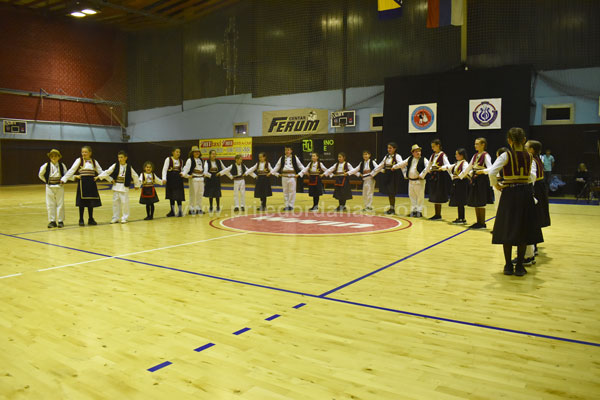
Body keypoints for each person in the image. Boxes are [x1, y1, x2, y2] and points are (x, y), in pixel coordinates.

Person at [478, 127, 542, 277]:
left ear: (509, 141)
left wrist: (497, 185)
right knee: (523, 229)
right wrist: (522, 180)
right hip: (525, 194)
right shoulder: (530, 156)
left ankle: (508, 265)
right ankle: (519, 266)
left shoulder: (506, 155)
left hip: (510, 194)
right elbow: (532, 176)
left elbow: (492, 172)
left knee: (507, 228)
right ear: (524, 140)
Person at [61, 145, 104, 226]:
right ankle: (81, 219)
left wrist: (107, 178)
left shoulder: (94, 161)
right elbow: (71, 170)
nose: (84, 153)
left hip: (91, 183)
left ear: (90, 153)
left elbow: (101, 171)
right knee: (82, 202)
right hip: (82, 183)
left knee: (90, 201)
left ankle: (91, 218)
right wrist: (64, 179)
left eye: (85, 152)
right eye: (82, 152)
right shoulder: (79, 160)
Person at [459, 137, 494, 229]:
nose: (475, 145)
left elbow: (491, 168)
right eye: (475, 144)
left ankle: (482, 223)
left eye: (477, 144)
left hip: (482, 180)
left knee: (481, 201)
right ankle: (478, 222)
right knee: (476, 201)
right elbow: (469, 167)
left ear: (483, 145)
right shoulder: (475, 156)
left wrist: (483, 171)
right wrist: (461, 176)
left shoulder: (486, 155)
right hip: (475, 179)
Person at [99, 150, 141, 224]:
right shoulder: (115, 165)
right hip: (116, 186)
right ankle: (115, 217)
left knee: (125, 203)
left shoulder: (128, 167)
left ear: (125, 158)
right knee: (115, 203)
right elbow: (108, 171)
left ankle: (125, 217)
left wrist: (137, 185)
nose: (120, 159)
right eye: (119, 157)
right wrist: (99, 176)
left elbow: (135, 175)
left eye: (121, 157)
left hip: (124, 187)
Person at [393, 144, 428, 217]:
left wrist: (422, 175)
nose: (418, 152)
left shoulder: (424, 159)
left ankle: (419, 211)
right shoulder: (410, 158)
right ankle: (414, 211)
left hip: (419, 181)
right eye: (416, 151)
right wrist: (394, 167)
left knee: (420, 197)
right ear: (412, 152)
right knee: (412, 196)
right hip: (411, 181)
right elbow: (402, 164)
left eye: (419, 151)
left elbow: (428, 168)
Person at [420, 139, 451, 220]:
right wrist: (422, 175)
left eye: (433, 146)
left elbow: (448, 165)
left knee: (438, 195)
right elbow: (428, 166)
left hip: (440, 176)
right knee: (434, 195)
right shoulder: (433, 155)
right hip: (433, 176)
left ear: (438, 146)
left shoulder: (443, 155)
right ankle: (437, 214)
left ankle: (438, 215)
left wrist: (443, 168)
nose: (432, 148)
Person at [38, 149, 68, 228]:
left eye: (55, 156)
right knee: (50, 204)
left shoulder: (62, 165)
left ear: (59, 157)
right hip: (49, 187)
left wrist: (63, 180)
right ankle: (52, 221)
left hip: (59, 186)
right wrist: (47, 181)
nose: (54, 158)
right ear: (50, 157)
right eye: (52, 156)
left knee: (60, 204)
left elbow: (66, 174)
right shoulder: (46, 165)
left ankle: (60, 221)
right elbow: (40, 174)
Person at [372, 142, 404, 214]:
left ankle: (392, 209)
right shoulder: (386, 156)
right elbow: (380, 165)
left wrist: (404, 174)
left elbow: (402, 164)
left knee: (392, 192)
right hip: (387, 175)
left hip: (393, 175)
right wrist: (372, 173)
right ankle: (391, 208)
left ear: (394, 149)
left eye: (390, 148)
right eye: (388, 148)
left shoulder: (397, 156)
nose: (388, 149)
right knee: (389, 192)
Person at [272, 146, 305, 211]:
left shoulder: (294, 157)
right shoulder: (282, 158)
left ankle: (291, 205)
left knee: (292, 191)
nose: (287, 151)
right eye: (286, 150)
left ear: (291, 151)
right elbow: (276, 167)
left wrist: (300, 174)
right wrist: (276, 174)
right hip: (284, 177)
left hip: (292, 177)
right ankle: (286, 205)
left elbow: (301, 166)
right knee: (285, 192)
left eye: (288, 150)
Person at [442, 148, 469, 224]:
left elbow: (466, 171)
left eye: (457, 154)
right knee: (458, 201)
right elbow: (449, 167)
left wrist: (459, 176)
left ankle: (462, 218)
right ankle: (460, 217)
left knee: (461, 201)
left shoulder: (464, 163)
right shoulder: (457, 163)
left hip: (462, 183)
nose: (455, 155)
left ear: (461, 155)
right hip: (457, 183)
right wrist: (441, 168)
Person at [181, 146, 206, 215]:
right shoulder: (190, 160)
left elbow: (203, 168)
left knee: (200, 194)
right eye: (195, 152)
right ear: (192, 153)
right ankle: (191, 209)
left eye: (198, 152)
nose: (197, 153)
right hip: (194, 178)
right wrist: (184, 174)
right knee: (193, 194)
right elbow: (186, 168)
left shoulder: (201, 160)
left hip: (201, 178)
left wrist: (204, 174)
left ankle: (198, 208)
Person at [162, 147, 185, 217]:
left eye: (179, 152)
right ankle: (172, 211)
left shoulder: (181, 161)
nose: (178, 153)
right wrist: (164, 178)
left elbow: (182, 170)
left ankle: (180, 211)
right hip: (171, 179)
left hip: (178, 180)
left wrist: (183, 174)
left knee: (179, 196)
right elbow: (164, 169)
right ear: (173, 152)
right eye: (176, 152)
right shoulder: (168, 159)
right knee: (171, 196)